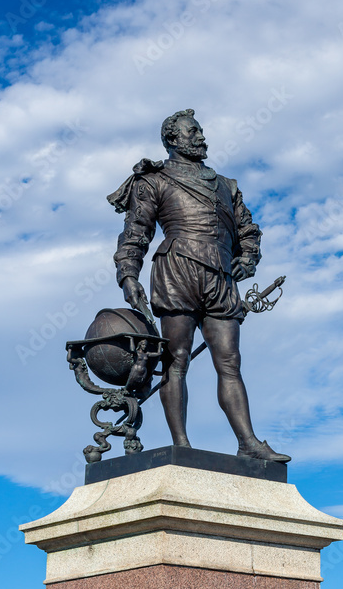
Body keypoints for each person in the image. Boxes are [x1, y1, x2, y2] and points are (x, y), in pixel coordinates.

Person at [108, 108, 290, 463]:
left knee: (230, 361)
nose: (201, 137)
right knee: (176, 361)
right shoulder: (153, 179)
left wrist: (248, 258)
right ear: (172, 139)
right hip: (177, 270)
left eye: (201, 131)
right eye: (193, 132)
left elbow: (247, 231)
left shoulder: (226, 185)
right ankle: (181, 444)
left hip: (220, 275)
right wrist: (128, 274)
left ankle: (248, 442)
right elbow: (136, 232)